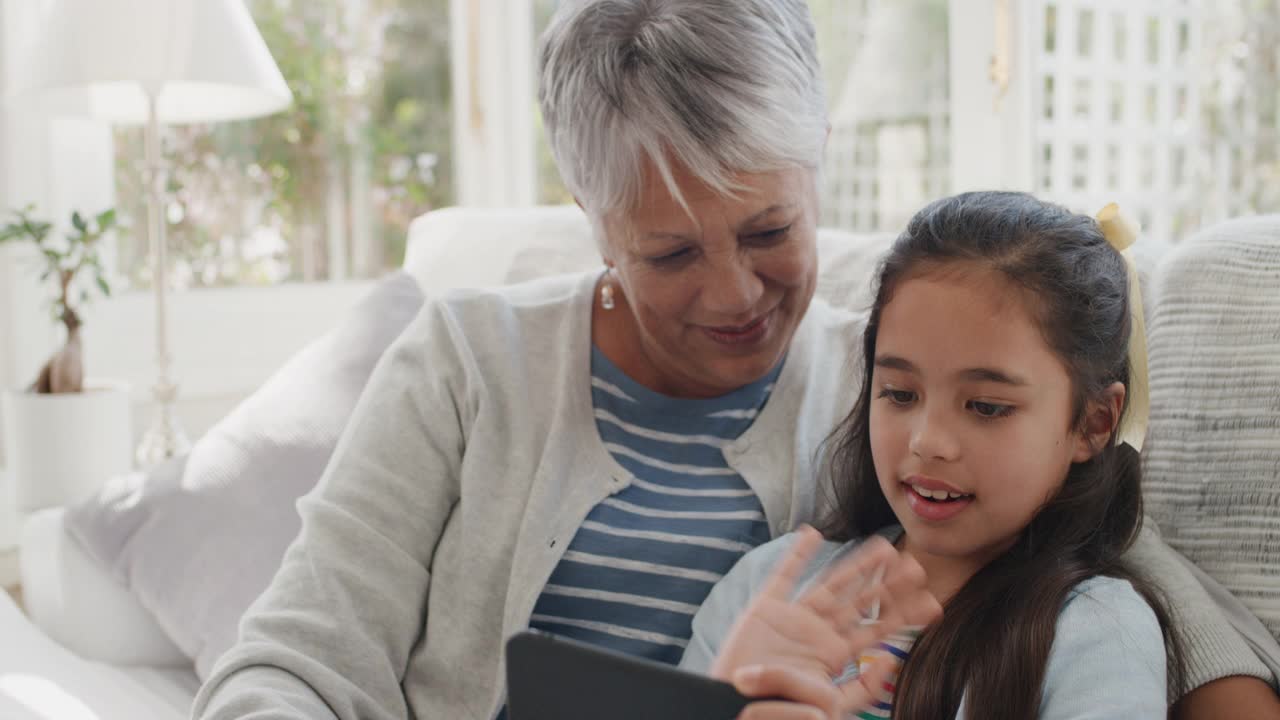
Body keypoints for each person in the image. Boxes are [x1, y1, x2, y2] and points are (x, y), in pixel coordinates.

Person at [193, 2, 1276, 718]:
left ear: (817, 168)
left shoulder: (886, 380)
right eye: (667, 251)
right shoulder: (469, 363)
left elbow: (1091, 531)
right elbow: (299, 657)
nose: (730, 295)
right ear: (592, 216)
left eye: (766, 232)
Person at [681, 192, 1280, 719]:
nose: (927, 441)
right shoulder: (766, 588)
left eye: (987, 407)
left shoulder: (1098, 631)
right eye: (899, 394)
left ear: (1093, 423)